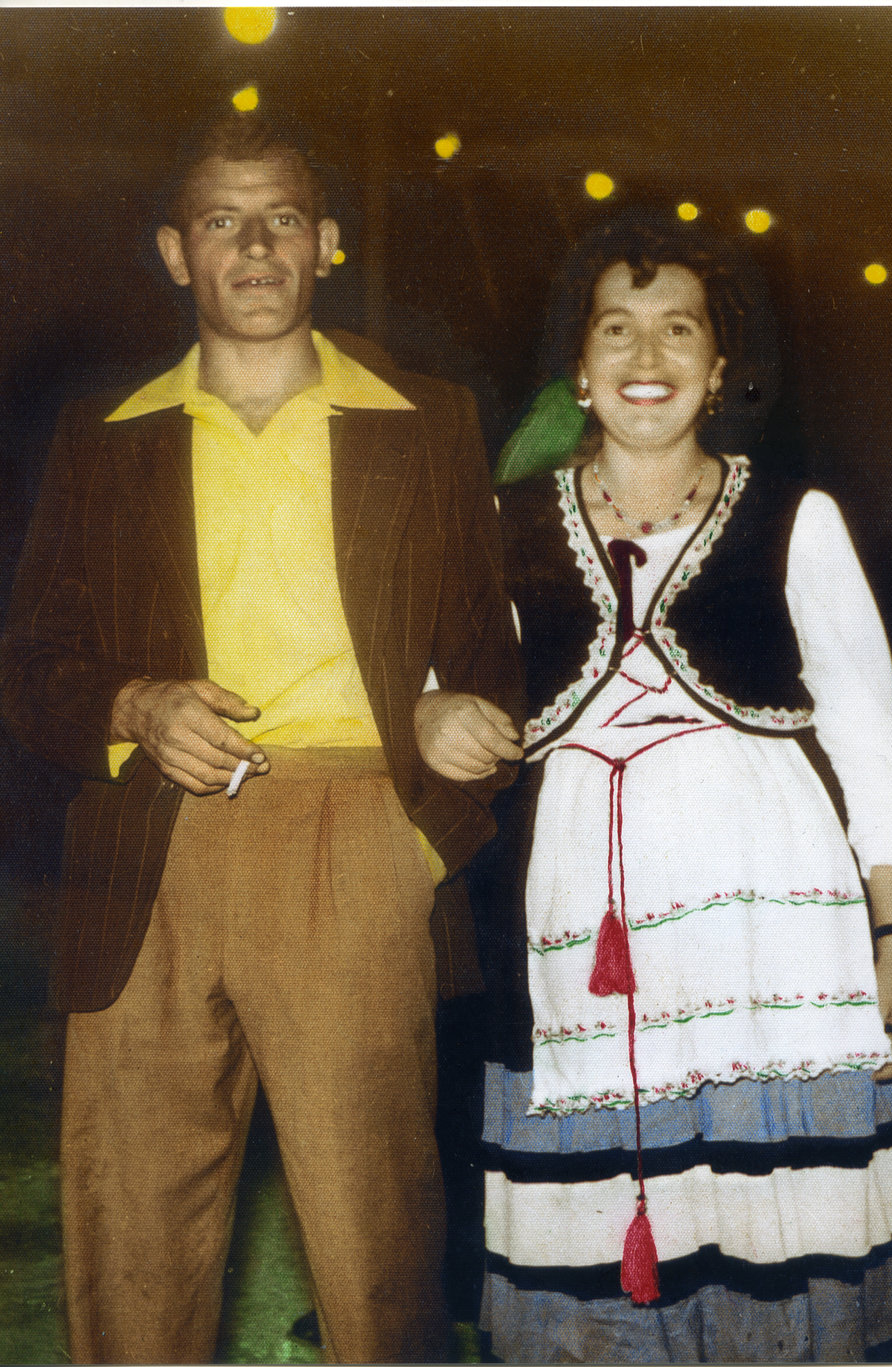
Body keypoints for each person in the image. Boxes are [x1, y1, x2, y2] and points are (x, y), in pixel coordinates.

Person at [0, 110, 524, 1365]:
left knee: (374, 1232)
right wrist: (134, 707)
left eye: (280, 216)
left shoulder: (426, 418)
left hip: (352, 840)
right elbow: (31, 665)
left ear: (326, 242)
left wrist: (440, 747)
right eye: (220, 222)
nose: (252, 246)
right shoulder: (104, 435)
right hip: (149, 845)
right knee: (130, 1223)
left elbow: (492, 646)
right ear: (175, 252)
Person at [414, 212, 892, 1362]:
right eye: (616, 329)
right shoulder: (501, 525)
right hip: (579, 927)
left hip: (772, 931)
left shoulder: (795, 518)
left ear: (718, 367)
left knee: (771, 1240)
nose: (644, 357)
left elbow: (867, 738)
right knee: (601, 1243)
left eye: (676, 330)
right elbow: (426, 685)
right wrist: (428, 711)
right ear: (577, 367)